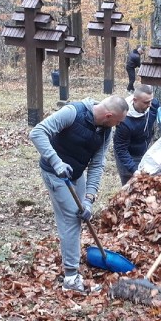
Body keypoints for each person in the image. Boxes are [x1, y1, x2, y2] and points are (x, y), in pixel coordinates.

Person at [29, 95, 129, 294]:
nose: (118, 126)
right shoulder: (73, 113)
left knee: (81, 213)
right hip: (54, 174)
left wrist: (89, 200)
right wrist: (56, 162)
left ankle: (71, 261)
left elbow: (97, 164)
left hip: (76, 174)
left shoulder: (105, 131)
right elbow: (37, 132)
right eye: (118, 122)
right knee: (71, 219)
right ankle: (71, 277)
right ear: (109, 115)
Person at [113, 84, 161, 185]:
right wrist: (133, 170)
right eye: (146, 102)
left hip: (145, 151)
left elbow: (160, 110)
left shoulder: (151, 103)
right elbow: (121, 149)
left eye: (151, 101)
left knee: (147, 183)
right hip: (128, 154)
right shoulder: (124, 122)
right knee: (131, 185)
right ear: (135, 100)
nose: (150, 104)